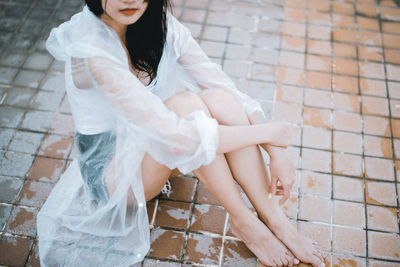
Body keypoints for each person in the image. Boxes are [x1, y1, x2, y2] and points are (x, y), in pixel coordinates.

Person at [37, 0, 325, 266]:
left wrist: (276, 149)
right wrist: (269, 133)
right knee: (186, 109)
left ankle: (275, 218)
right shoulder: (90, 49)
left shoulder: (154, 22)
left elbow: (221, 84)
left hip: (153, 147)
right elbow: (178, 138)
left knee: (219, 100)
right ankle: (245, 222)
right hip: (112, 177)